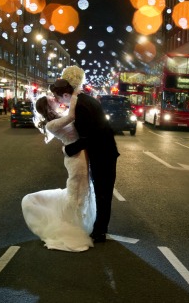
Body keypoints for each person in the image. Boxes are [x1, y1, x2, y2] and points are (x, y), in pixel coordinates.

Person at [50, 66, 119, 243]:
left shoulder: (80, 105)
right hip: (105, 151)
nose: (59, 102)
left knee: (103, 193)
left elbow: (88, 137)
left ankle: (100, 232)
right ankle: (99, 229)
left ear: (66, 94)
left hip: (102, 153)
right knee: (102, 192)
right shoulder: (84, 100)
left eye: (59, 98)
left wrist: (68, 150)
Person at [21, 96, 95, 252]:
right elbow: (72, 117)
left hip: (80, 154)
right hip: (75, 159)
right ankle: (74, 225)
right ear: (48, 106)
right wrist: (75, 94)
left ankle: (80, 223)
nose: (54, 98)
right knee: (77, 191)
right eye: (50, 98)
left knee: (84, 189)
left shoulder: (58, 117)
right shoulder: (51, 124)